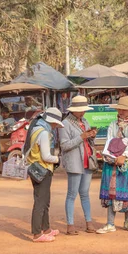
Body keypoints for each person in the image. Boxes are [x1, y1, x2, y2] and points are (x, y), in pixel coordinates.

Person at [97, 96, 128, 234]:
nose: (122, 112)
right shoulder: (113, 124)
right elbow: (110, 141)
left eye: (125, 109)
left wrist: (125, 155)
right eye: (120, 109)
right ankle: (110, 223)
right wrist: (112, 155)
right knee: (112, 192)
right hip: (113, 162)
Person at [24, 108, 63, 242]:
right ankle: (37, 233)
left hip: (35, 169)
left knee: (43, 200)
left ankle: (46, 228)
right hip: (44, 169)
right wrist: (57, 159)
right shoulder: (45, 133)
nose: (56, 126)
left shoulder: (35, 129)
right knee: (41, 202)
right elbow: (46, 156)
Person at [60, 96, 97, 235]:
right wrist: (81, 137)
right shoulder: (65, 124)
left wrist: (91, 136)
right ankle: (70, 224)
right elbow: (64, 145)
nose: (83, 113)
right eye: (80, 110)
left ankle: (89, 222)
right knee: (72, 194)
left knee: (85, 194)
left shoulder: (85, 121)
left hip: (87, 161)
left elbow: (87, 142)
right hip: (75, 163)